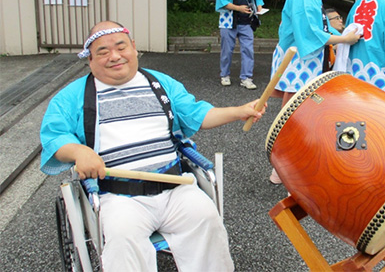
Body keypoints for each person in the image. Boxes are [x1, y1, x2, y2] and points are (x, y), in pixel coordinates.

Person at [39, 21, 266, 272]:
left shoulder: (160, 83)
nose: (114, 56)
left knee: (207, 218)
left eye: (121, 47)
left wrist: (239, 111)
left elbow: (195, 114)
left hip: (175, 187)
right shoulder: (72, 96)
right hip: (119, 196)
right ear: (90, 60)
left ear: (134, 48)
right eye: (103, 52)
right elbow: (54, 136)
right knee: (123, 240)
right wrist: (79, 151)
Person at [268, 0, 361, 184]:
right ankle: (284, 170)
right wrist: (344, 39)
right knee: (293, 119)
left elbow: (318, 29)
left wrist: (337, 35)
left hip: (300, 64)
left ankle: (283, 169)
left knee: (294, 118)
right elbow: (311, 34)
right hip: (297, 64)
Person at [216, 0, 264, 89]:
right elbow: (223, 1)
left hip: (246, 21)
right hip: (229, 21)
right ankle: (224, 75)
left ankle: (247, 77)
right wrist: (238, 8)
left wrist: (259, 8)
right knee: (227, 50)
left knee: (248, 50)